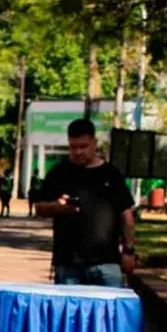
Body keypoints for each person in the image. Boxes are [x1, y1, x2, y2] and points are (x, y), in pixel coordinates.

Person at [36, 118, 136, 287]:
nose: (78, 152)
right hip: (68, 263)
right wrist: (56, 207)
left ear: (94, 143)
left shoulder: (111, 174)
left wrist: (129, 250)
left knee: (108, 312)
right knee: (69, 313)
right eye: (73, 147)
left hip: (107, 263)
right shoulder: (59, 173)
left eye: (84, 146)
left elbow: (126, 216)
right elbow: (39, 208)